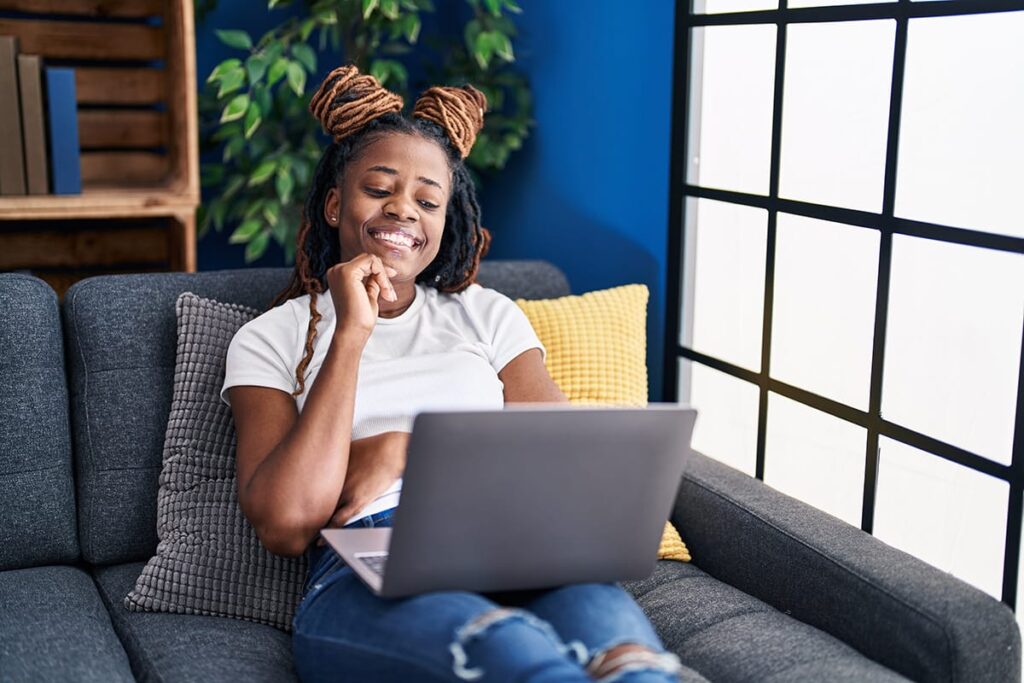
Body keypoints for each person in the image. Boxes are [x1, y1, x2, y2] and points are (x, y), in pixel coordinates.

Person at [221, 64, 683, 682]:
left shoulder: (487, 315)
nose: (402, 210)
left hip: (516, 544)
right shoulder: (270, 336)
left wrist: (400, 449)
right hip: (364, 568)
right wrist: (352, 332)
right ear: (334, 205)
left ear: (445, 219)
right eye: (378, 188)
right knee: (514, 655)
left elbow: (563, 464)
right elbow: (285, 523)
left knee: (637, 667)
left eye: (427, 200)